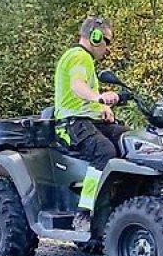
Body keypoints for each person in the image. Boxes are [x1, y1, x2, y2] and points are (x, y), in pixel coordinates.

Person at [54, 16, 128, 231]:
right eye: (108, 41)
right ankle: (85, 212)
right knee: (104, 151)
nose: (108, 49)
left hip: (87, 120)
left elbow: (83, 97)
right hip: (71, 124)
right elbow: (77, 87)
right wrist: (99, 98)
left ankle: (119, 201)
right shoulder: (79, 57)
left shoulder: (83, 60)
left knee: (129, 139)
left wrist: (102, 108)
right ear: (95, 38)